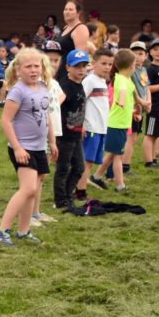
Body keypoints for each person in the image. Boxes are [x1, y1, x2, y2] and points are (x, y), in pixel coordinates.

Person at [0, 49, 55, 246]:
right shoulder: (18, 90)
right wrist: (17, 147)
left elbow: (47, 116)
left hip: (39, 147)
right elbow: (6, 121)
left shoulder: (43, 87)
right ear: (18, 69)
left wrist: (51, 142)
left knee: (33, 190)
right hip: (23, 147)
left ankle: (24, 231)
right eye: (28, 66)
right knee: (27, 189)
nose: (33, 70)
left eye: (37, 66)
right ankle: (0, 230)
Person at [98, 48, 138, 193]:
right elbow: (121, 92)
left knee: (113, 153)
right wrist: (121, 101)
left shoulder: (127, 80)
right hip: (116, 124)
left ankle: (97, 176)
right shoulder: (120, 79)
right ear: (131, 65)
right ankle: (120, 185)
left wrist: (137, 108)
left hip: (122, 123)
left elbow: (132, 96)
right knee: (118, 156)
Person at [54, 50, 90, 211]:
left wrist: (82, 127)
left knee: (79, 168)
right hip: (65, 135)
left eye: (84, 66)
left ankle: (68, 196)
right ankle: (61, 200)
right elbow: (56, 104)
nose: (81, 70)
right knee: (63, 168)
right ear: (68, 67)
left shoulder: (79, 83)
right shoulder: (65, 85)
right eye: (77, 67)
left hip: (76, 133)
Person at [80, 48, 113, 193]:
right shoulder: (89, 81)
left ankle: (81, 185)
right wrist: (81, 124)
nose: (107, 67)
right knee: (86, 161)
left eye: (110, 64)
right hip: (91, 127)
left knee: (91, 161)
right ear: (93, 63)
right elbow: (80, 102)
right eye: (104, 63)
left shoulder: (102, 81)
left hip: (101, 128)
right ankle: (79, 190)